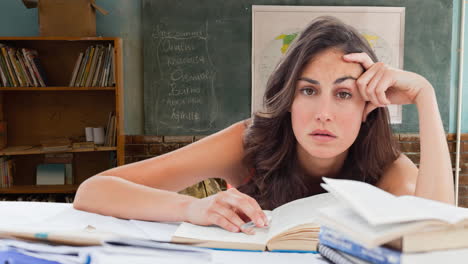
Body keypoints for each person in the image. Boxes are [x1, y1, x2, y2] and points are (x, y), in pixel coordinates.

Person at [74, 16, 454, 235]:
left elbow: (439, 230)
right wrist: (192, 209)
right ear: (288, 100)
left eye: (343, 95)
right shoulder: (251, 141)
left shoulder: (386, 165)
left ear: (368, 107)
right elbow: (93, 191)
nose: (324, 113)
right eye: (308, 91)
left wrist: (426, 94)